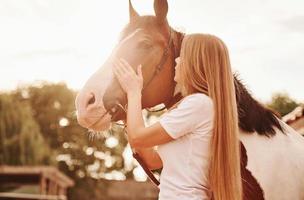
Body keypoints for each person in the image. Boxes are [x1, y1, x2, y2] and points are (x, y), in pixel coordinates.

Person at [113, 33, 242, 200]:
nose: (176, 61)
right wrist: (128, 112)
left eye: (182, 56)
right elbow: (153, 160)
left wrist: (134, 91)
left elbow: (138, 138)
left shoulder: (197, 104)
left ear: (196, 64)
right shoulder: (200, 106)